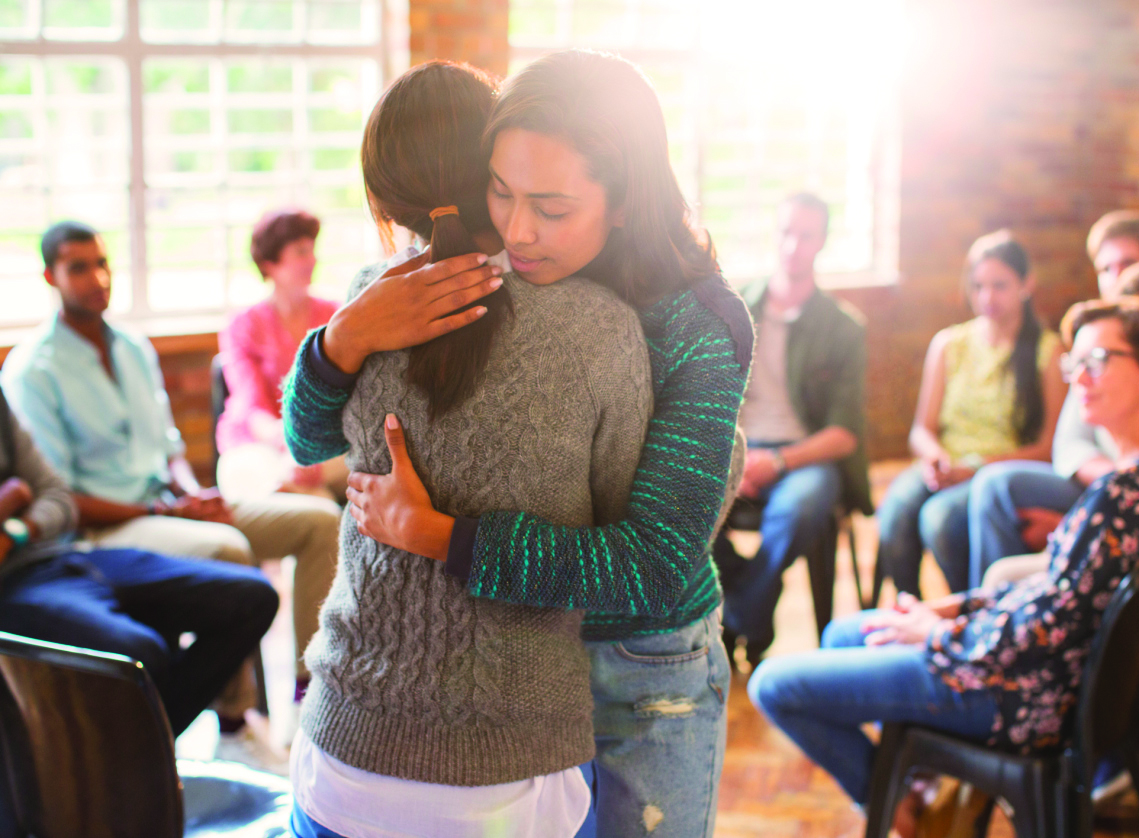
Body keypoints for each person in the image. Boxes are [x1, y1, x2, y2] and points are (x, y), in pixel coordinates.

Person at [284, 53, 752, 838]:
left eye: (553, 207)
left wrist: (445, 537)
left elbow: (655, 563)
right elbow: (309, 431)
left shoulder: (694, 321)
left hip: (641, 660)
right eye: (500, 191)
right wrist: (343, 337)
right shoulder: (467, 283)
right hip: (521, 672)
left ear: (626, 200)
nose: (518, 230)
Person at [747, 298, 1139, 831]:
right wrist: (953, 606)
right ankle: (914, 781)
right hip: (1040, 677)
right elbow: (1057, 592)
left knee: (773, 684)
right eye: (1074, 364)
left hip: (1015, 693)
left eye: (1099, 359)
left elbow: (1043, 626)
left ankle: (904, 810)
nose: (1080, 377)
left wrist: (937, 633)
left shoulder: (1121, 495)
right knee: (846, 633)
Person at [0, 220, 341, 750]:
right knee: (225, 549)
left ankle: (309, 693)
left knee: (320, 522)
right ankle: (234, 717)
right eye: (78, 267)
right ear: (50, 276)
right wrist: (166, 513)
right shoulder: (32, 371)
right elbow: (62, 495)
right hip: (109, 529)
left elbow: (169, 444)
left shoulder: (133, 348)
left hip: (168, 505)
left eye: (102, 262)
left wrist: (189, 493)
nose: (98, 278)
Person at [965, 212, 1139, 585]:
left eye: (1127, 264)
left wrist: (1103, 513)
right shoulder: (1103, 342)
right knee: (988, 494)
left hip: (1137, 510)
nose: (1117, 279)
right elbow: (1069, 446)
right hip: (1113, 489)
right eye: (1106, 268)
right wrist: (1108, 504)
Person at [0, 388, 278, 739]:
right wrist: (14, 493)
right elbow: (31, 492)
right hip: (11, 585)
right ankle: (139, 760)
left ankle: (140, 754)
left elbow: (56, 497)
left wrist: (14, 525)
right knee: (142, 653)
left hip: (66, 554)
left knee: (255, 596)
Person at [714, 192, 870, 665]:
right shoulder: (735, 307)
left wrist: (777, 461)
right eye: (785, 232)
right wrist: (735, 458)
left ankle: (742, 614)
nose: (792, 245)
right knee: (686, 496)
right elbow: (707, 400)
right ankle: (755, 610)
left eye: (805, 235)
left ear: (822, 242)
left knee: (799, 511)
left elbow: (844, 433)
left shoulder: (843, 327)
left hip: (804, 456)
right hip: (736, 447)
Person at [877, 230, 1065, 597]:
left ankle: (968, 608)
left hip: (997, 472)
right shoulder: (950, 343)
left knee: (940, 520)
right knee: (895, 513)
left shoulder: (1048, 352)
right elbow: (921, 429)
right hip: (946, 464)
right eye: (978, 286)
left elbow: (1048, 448)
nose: (987, 297)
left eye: (1000, 285)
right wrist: (936, 458)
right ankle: (910, 607)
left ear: (1027, 284)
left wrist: (975, 466)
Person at [216, 209, 346, 502]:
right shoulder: (243, 325)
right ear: (270, 264)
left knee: (314, 486)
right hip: (256, 442)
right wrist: (293, 446)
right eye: (301, 252)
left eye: (313, 250)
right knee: (311, 496)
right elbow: (251, 406)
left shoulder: (335, 314)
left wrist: (311, 449)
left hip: (322, 443)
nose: (312, 260)